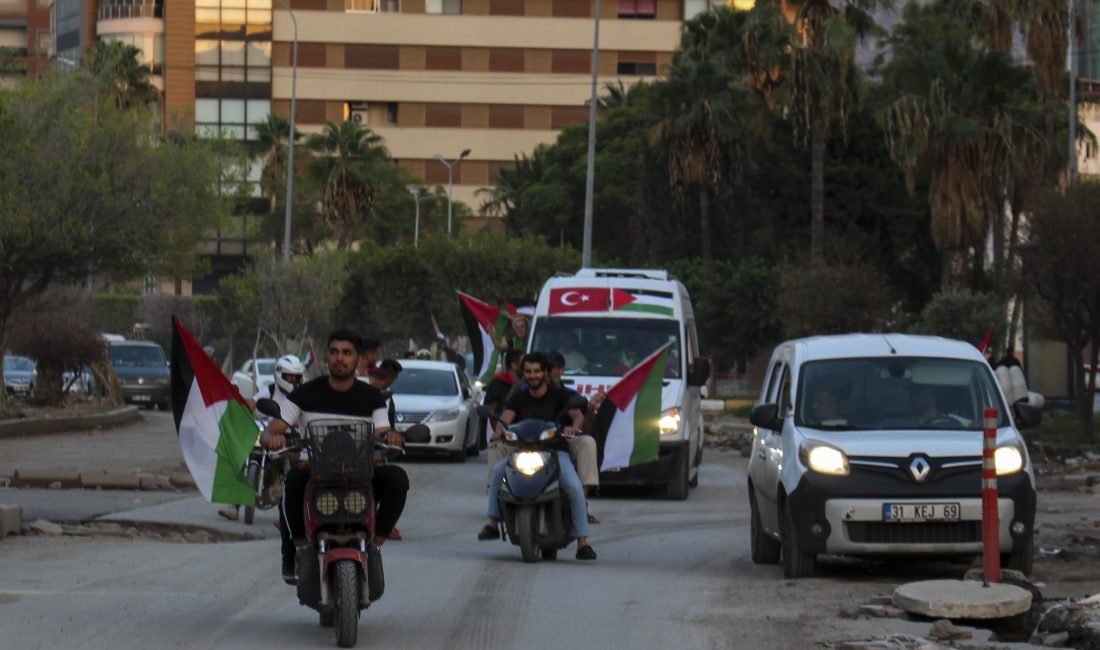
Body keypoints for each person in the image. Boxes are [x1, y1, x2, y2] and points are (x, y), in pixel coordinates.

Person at [262, 330, 408, 584]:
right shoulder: (305, 393)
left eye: (347, 353)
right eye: (334, 352)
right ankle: (299, 549)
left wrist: (394, 439)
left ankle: (375, 545)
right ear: (326, 356)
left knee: (398, 479)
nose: (340, 358)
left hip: (360, 471)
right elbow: (271, 430)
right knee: (291, 484)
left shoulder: (372, 396)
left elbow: (384, 433)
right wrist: (272, 438)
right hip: (314, 470)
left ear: (357, 359)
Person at [477, 352, 596, 561]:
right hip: (522, 451)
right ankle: (493, 523)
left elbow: (577, 414)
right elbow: (505, 418)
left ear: (545, 373)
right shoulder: (519, 397)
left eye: (537, 371)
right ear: (524, 373)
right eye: (529, 372)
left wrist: (572, 427)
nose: (533, 376)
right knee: (498, 471)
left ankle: (582, 542)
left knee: (574, 486)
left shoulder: (558, 394)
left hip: (556, 452)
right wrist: (498, 432)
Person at [219, 354, 304, 522]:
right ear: (280, 374)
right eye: (289, 377)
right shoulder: (271, 390)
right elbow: (255, 401)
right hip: (268, 434)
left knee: (299, 471)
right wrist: (239, 403)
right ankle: (234, 507)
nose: (293, 380)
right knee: (244, 456)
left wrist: (294, 424)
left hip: (293, 439)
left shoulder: (301, 395)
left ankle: (296, 509)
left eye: (296, 377)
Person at [546, 351, 600, 524]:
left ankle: (579, 505)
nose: (549, 372)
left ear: (561, 370)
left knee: (587, 442)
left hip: (563, 442)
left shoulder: (569, 394)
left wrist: (577, 425)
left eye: (553, 368)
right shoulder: (526, 391)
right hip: (535, 443)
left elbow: (582, 420)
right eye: (546, 368)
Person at [363, 358, 404, 540]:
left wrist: (390, 441)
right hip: (344, 450)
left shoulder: (387, 398)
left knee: (392, 480)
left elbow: (388, 430)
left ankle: (380, 528)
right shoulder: (359, 387)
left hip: (372, 449)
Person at [482, 349, 523, 459]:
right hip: (505, 433)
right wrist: (498, 430)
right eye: (523, 362)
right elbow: (492, 410)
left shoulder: (527, 385)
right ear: (514, 365)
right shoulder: (499, 382)